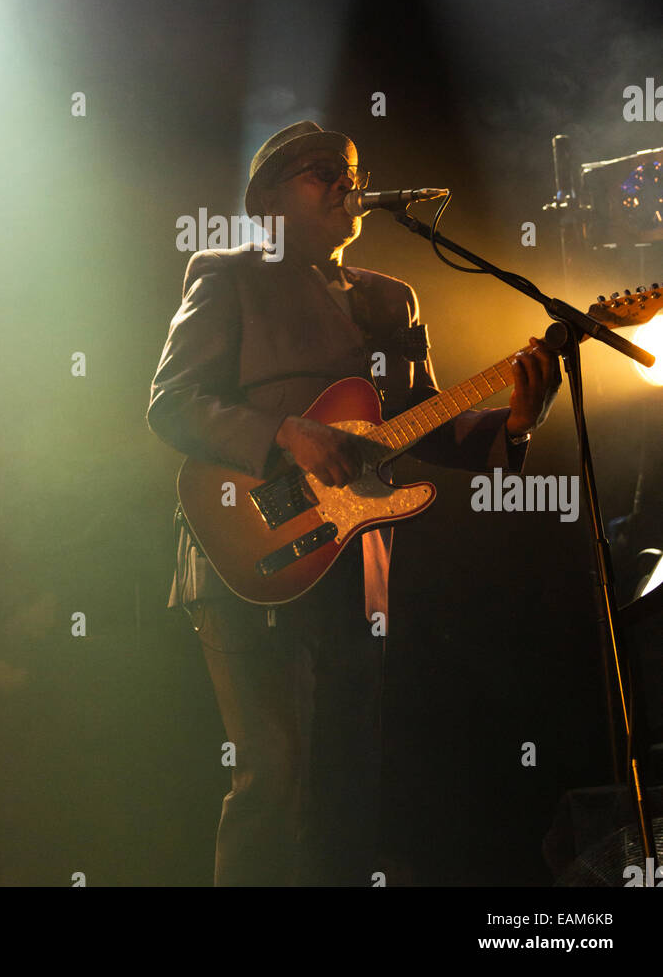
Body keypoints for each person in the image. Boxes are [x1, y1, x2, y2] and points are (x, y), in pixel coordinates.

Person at [147, 120, 561, 887]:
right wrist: (285, 434)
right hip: (246, 540)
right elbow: (172, 405)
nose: (344, 182)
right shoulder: (227, 273)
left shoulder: (392, 299)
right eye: (317, 172)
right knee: (273, 771)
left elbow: (426, 423)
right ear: (267, 198)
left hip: (355, 563)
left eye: (349, 170)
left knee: (345, 777)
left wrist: (515, 421)